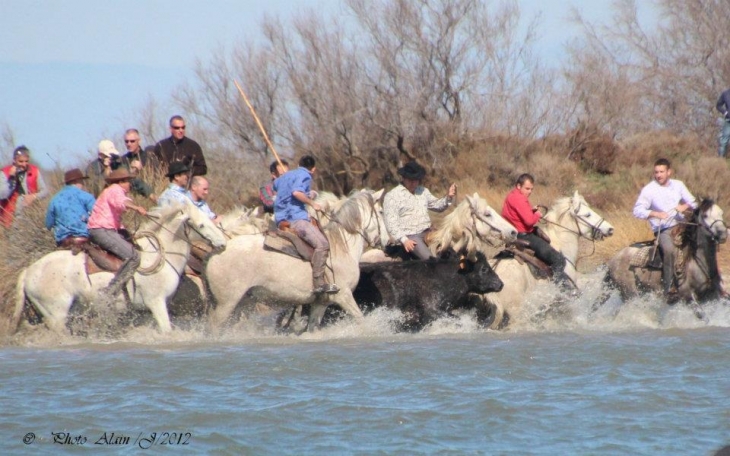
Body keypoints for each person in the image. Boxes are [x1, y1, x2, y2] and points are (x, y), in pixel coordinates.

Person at [633, 158, 697, 302]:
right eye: (656, 172)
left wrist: (685, 206)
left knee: (704, 241)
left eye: (662, 172)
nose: (659, 175)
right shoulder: (649, 189)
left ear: (669, 172)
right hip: (664, 229)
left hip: (682, 226)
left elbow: (694, 201)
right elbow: (637, 210)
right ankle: (669, 288)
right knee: (669, 250)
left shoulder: (678, 185)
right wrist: (655, 213)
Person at [274, 155, 338, 294]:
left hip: (280, 218)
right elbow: (296, 192)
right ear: (313, 169)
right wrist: (312, 203)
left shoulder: (284, 176)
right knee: (323, 244)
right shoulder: (306, 175)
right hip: (296, 219)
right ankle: (319, 283)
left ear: (298, 164)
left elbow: (276, 186)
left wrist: (307, 193)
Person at [502, 173, 574, 290]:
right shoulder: (520, 198)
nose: (529, 192)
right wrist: (537, 214)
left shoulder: (511, 196)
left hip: (514, 234)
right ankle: (562, 291)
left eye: (531, 189)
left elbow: (515, 216)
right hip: (525, 236)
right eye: (527, 188)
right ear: (518, 186)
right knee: (559, 260)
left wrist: (530, 210)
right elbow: (529, 222)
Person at [87, 168, 148, 301]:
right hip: (102, 230)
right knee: (134, 256)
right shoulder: (115, 189)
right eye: (127, 181)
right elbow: (122, 202)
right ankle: (110, 292)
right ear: (120, 182)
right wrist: (136, 207)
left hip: (103, 229)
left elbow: (116, 218)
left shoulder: (111, 191)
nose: (130, 184)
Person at [382, 161, 457, 260]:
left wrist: (448, 197)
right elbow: (391, 223)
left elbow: (438, 206)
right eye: (410, 180)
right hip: (411, 237)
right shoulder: (392, 196)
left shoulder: (423, 191)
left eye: (416, 180)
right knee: (430, 259)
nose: (413, 183)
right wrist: (404, 240)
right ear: (403, 178)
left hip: (429, 233)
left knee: (452, 251)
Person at [1, 145, 49, 227]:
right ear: (14, 160)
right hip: (9, 219)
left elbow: (45, 191)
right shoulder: (4, 172)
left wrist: (33, 196)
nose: (24, 164)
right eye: (21, 161)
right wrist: (12, 178)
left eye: (26, 161)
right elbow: (2, 195)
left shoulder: (34, 171)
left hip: (29, 217)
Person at [45, 168, 96, 246]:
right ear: (76, 182)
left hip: (63, 241)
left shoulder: (54, 199)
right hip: (83, 238)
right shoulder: (86, 196)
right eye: (81, 181)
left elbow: (48, 224)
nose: (83, 184)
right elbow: (97, 216)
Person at [118, 128, 158, 202]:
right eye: (126, 141)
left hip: (148, 196)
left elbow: (156, 176)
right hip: (130, 198)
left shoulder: (148, 157)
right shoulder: (123, 160)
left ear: (139, 141)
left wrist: (142, 170)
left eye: (132, 141)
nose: (129, 144)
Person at [716, 88, 730, 158]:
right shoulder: (726, 94)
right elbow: (718, 105)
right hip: (728, 121)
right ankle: (720, 161)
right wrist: (725, 112)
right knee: (723, 142)